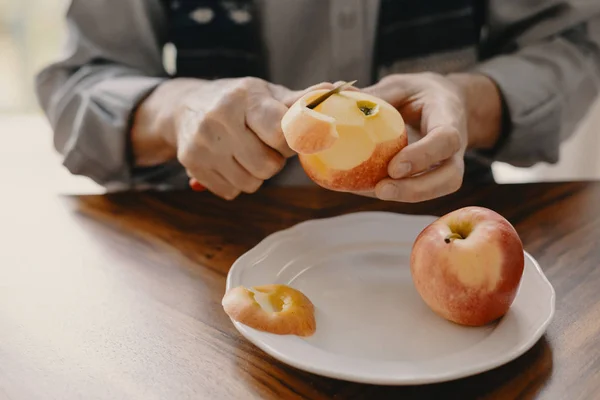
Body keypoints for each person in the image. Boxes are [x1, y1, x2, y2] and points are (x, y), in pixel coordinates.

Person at [35, 0, 600, 203]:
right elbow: (78, 88)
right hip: (207, 241)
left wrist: (466, 103)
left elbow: (573, 45)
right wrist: (177, 109)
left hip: (438, 223)